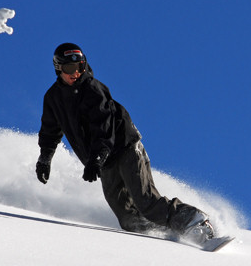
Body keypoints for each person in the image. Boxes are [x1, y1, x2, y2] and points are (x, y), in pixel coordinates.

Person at [36, 42, 215, 243]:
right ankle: (159, 237)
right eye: (70, 68)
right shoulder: (53, 98)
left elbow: (103, 127)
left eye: (80, 67)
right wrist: (45, 159)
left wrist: (96, 158)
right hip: (105, 161)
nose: (76, 73)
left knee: (146, 201)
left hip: (125, 148)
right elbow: (50, 131)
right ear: (58, 68)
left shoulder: (93, 89)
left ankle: (194, 221)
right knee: (126, 216)